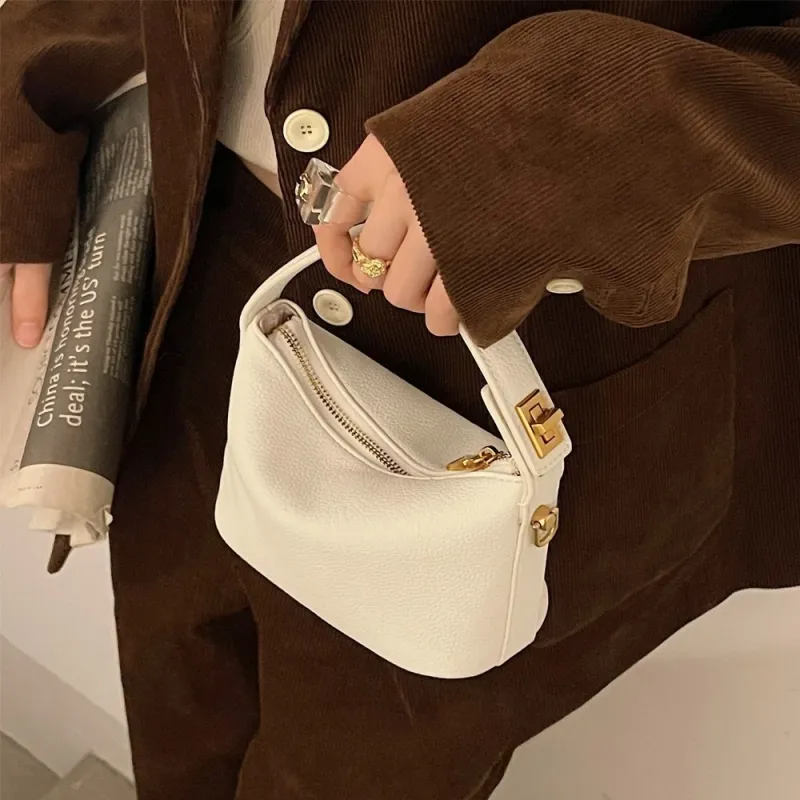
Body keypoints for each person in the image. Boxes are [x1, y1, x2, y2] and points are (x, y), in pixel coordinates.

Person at [2, 1, 799, 798]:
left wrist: (559, 130)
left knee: (360, 771)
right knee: (178, 709)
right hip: (205, 264)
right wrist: (22, 98)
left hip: (522, 367)